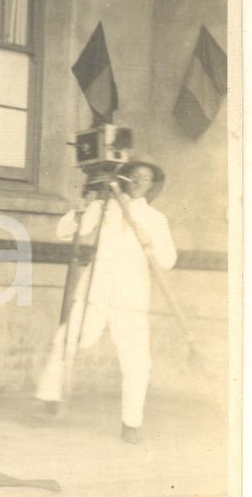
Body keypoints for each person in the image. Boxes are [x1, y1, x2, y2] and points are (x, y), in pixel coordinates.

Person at [35, 161, 177, 444]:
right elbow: (66, 231)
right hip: (95, 291)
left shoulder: (155, 218)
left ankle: (131, 423)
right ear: (125, 178)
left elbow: (168, 260)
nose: (139, 182)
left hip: (131, 297)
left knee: (137, 360)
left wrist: (150, 243)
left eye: (146, 179)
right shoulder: (103, 208)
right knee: (67, 339)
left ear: (152, 185)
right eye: (135, 176)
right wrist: (80, 210)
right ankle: (50, 398)